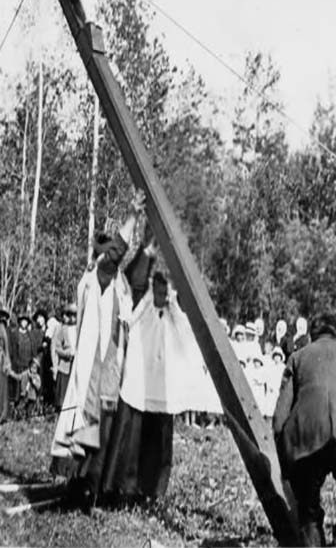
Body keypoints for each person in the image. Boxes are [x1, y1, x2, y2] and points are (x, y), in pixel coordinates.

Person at [103, 234, 217, 503]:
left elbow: (189, 333)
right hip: (139, 389)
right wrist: (149, 252)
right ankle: (126, 489)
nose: (162, 297)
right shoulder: (142, 309)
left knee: (159, 448)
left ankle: (153, 491)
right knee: (132, 444)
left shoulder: (174, 314)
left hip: (164, 394)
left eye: (165, 293)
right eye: (158, 292)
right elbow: (138, 282)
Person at [50, 191, 144, 505]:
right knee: (90, 427)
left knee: (102, 430)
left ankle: (93, 487)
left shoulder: (117, 281)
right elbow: (118, 252)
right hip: (95, 367)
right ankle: (82, 488)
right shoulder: (97, 275)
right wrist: (131, 217)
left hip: (110, 366)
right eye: (107, 252)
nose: (112, 257)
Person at [273, 313, 336, 547]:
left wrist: (286, 465)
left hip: (307, 436)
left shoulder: (297, 357)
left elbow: (279, 418)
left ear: (312, 336)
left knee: (308, 515)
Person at [9, 312, 41, 411]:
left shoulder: (30, 335)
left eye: (26, 321)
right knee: (18, 388)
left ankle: (28, 409)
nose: (24, 323)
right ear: (20, 322)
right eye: (22, 321)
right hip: (18, 365)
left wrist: (33, 364)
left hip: (28, 365)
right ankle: (16, 408)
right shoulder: (15, 335)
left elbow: (34, 350)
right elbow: (12, 351)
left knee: (29, 389)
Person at [51, 303, 77, 410]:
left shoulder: (81, 330)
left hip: (77, 365)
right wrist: (66, 353)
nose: (73, 318)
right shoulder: (63, 329)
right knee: (63, 394)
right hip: (65, 365)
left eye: (75, 315)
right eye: (71, 315)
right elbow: (57, 347)